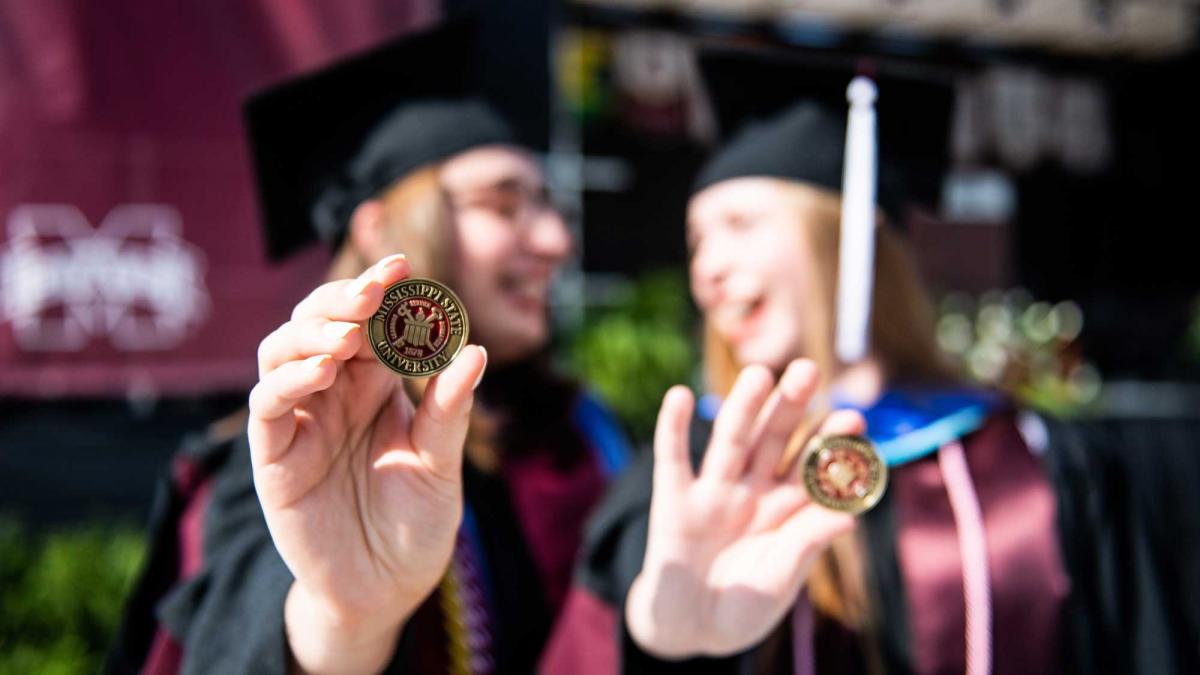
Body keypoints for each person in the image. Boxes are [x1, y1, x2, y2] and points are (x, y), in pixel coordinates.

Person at [544, 66, 1199, 675]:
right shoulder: (696, 467)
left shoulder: (1030, 454)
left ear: (851, 237)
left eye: (740, 223)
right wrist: (664, 634)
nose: (707, 266)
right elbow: (605, 633)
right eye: (696, 239)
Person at [106, 19, 633, 675]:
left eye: (546, 203)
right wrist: (341, 621)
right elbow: (224, 642)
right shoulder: (291, 458)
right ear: (383, 223)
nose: (556, 239)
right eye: (505, 203)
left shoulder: (581, 439)